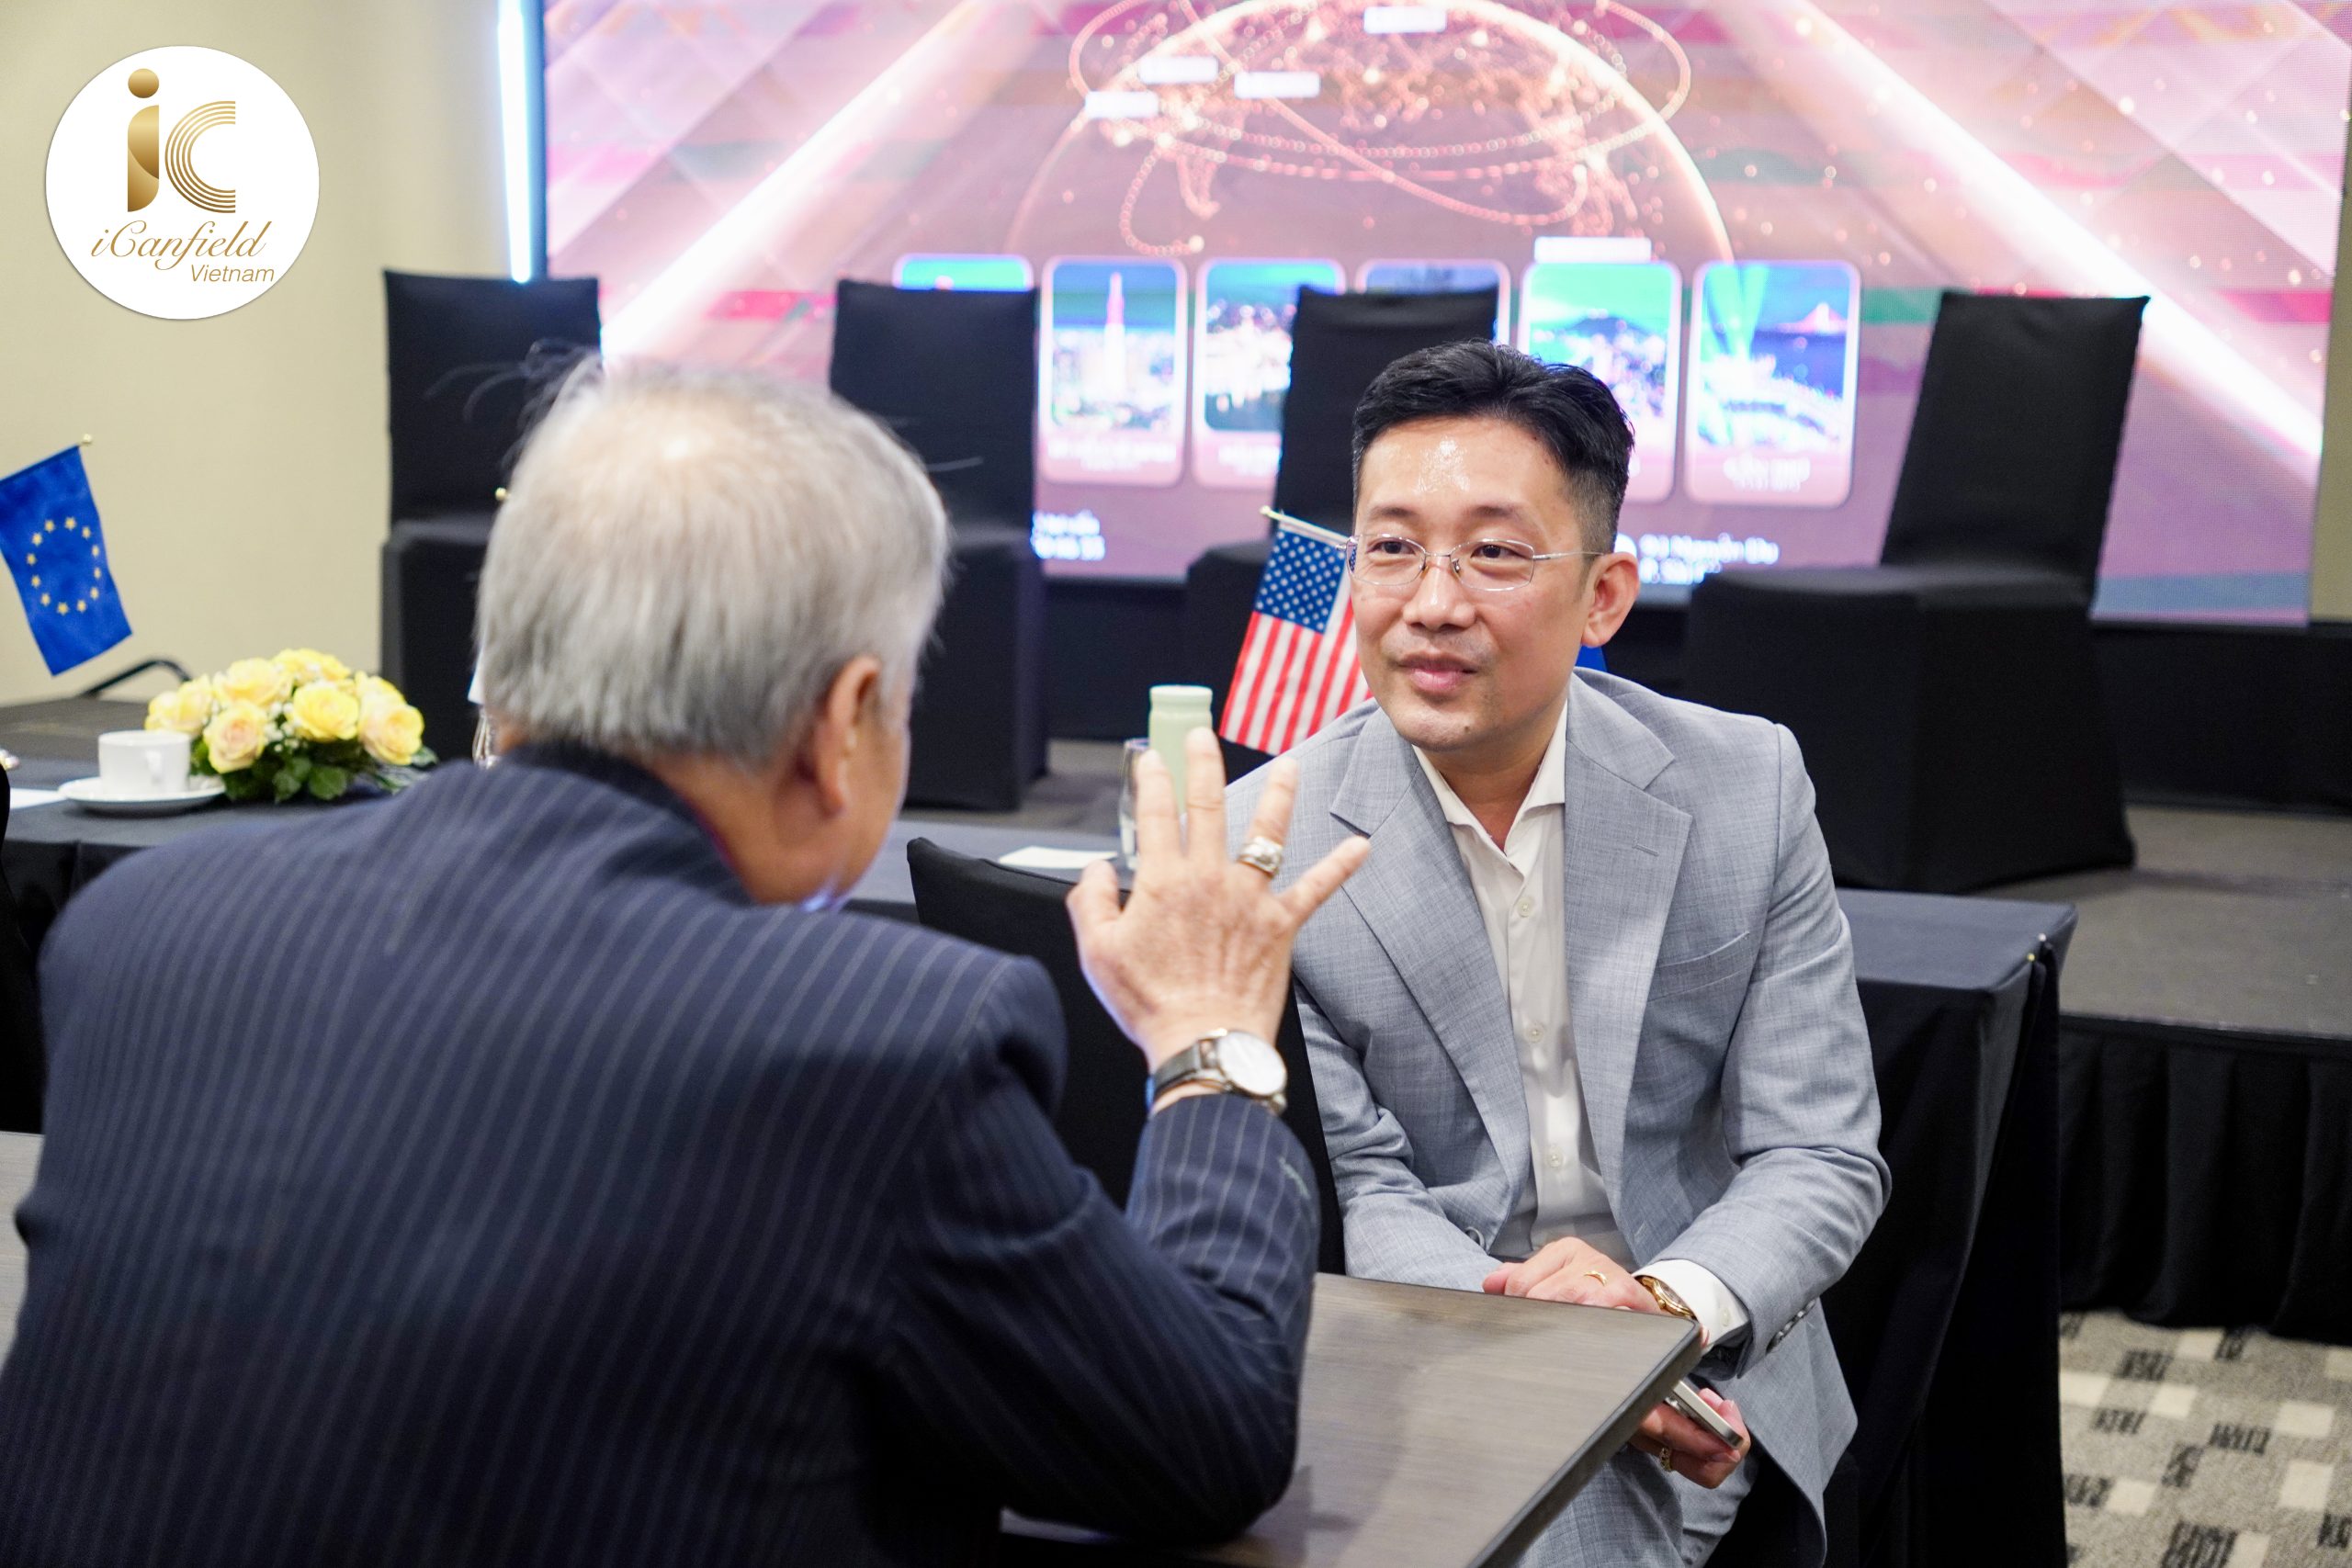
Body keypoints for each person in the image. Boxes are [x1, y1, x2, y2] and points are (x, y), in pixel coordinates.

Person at [0, 366, 1367, 1565]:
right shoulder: (877, 1043)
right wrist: (1208, 1043)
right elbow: (1203, 1441)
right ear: (843, 723)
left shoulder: (139, 933)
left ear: (505, 676)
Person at [1228, 342, 1890, 1566]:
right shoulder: (1266, 840)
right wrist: (1561, 1354)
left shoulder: (1745, 787)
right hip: (1424, 1329)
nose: (1433, 602)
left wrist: (1652, 1324)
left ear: (1604, 596)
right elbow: (1358, 1189)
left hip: (1700, 1340)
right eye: (1392, 547)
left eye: (1494, 553)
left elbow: (1820, 1150)